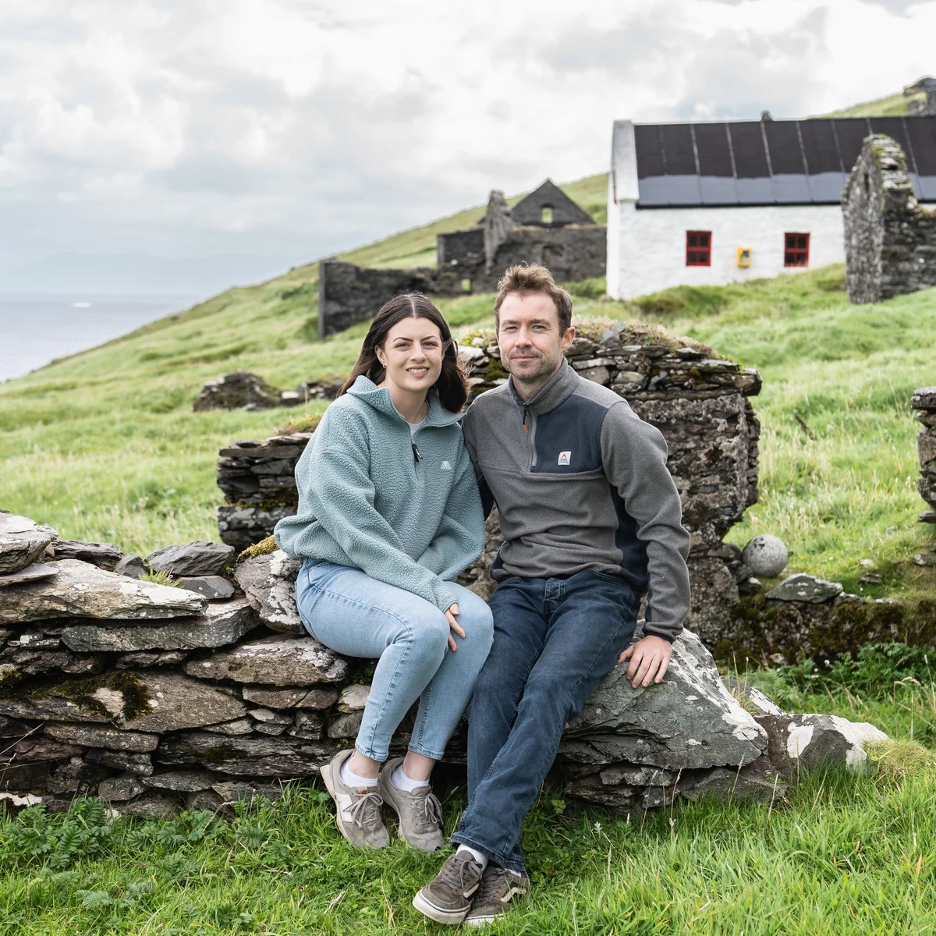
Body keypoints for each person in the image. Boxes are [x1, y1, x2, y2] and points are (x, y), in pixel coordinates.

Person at [412, 264, 691, 926]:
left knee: (545, 694)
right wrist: (422, 587)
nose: (523, 340)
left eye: (539, 327)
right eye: (512, 328)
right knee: (490, 689)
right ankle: (503, 864)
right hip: (520, 590)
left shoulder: (607, 418)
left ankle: (474, 849)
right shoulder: (483, 417)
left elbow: (663, 521)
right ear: (498, 338)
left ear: (566, 337)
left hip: (599, 592)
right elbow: (463, 518)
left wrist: (662, 628)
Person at [274, 293, 494, 853]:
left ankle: (412, 778)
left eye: (429, 342)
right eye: (403, 344)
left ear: (445, 351)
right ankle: (358, 774)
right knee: (423, 625)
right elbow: (354, 530)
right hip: (332, 579)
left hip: (401, 582)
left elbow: (462, 531)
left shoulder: (452, 431)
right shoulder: (348, 419)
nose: (417, 354)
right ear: (380, 353)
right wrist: (421, 589)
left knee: (478, 618)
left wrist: (422, 582)